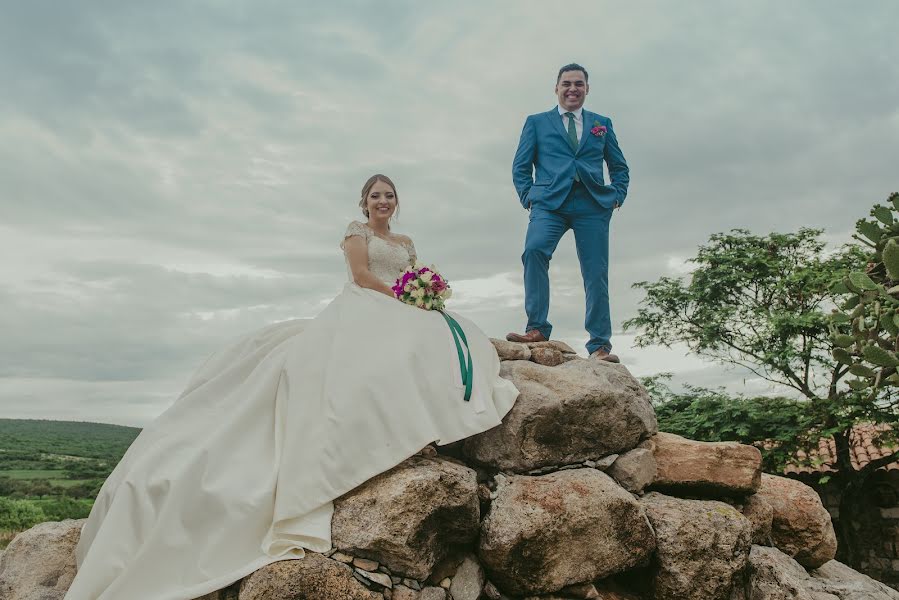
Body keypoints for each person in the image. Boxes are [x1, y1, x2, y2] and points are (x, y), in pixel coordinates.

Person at [65, 174, 519, 600]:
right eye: (376, 195)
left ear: (397, 203)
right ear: (365, 202)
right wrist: (403, 299)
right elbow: (362, 276)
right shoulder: (355, 233)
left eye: (390, 195)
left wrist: (424, 296)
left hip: (402, 305)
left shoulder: (406, 242)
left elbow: (409, 275)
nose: (383, 201)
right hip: (365, 305)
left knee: (439, 341)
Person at [506, 63, 630, 363]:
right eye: (566, 84)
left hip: (593, 205)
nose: (572, 89)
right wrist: (529, 197)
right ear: (557, 88)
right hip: (550, 203)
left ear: (587, 88)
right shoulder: (536, 122)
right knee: (534, 251)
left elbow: (619, 166)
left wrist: (616, 196)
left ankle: (599, 345)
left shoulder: (602, 123)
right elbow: (520, 167)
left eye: (578, 84)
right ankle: (537, 327)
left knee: (595, 273)